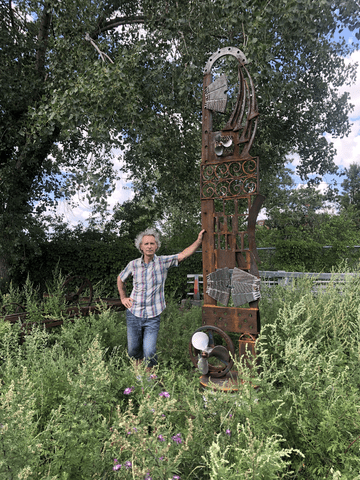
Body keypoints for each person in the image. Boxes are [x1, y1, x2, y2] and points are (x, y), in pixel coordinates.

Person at [117, 227, 205, 368]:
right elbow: (120, 279)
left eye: (152, 243)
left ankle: (150, 379)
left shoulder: (163, 262)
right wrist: (123, 298)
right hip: (134, 313)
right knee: (133, 350)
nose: (149, 246)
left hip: (153, 315)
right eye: (146, 244)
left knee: (149, 351)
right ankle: (139, 377)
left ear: (157, 246)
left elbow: (183, 255)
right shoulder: (133, 265)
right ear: (140, 246)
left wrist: (198, 241)